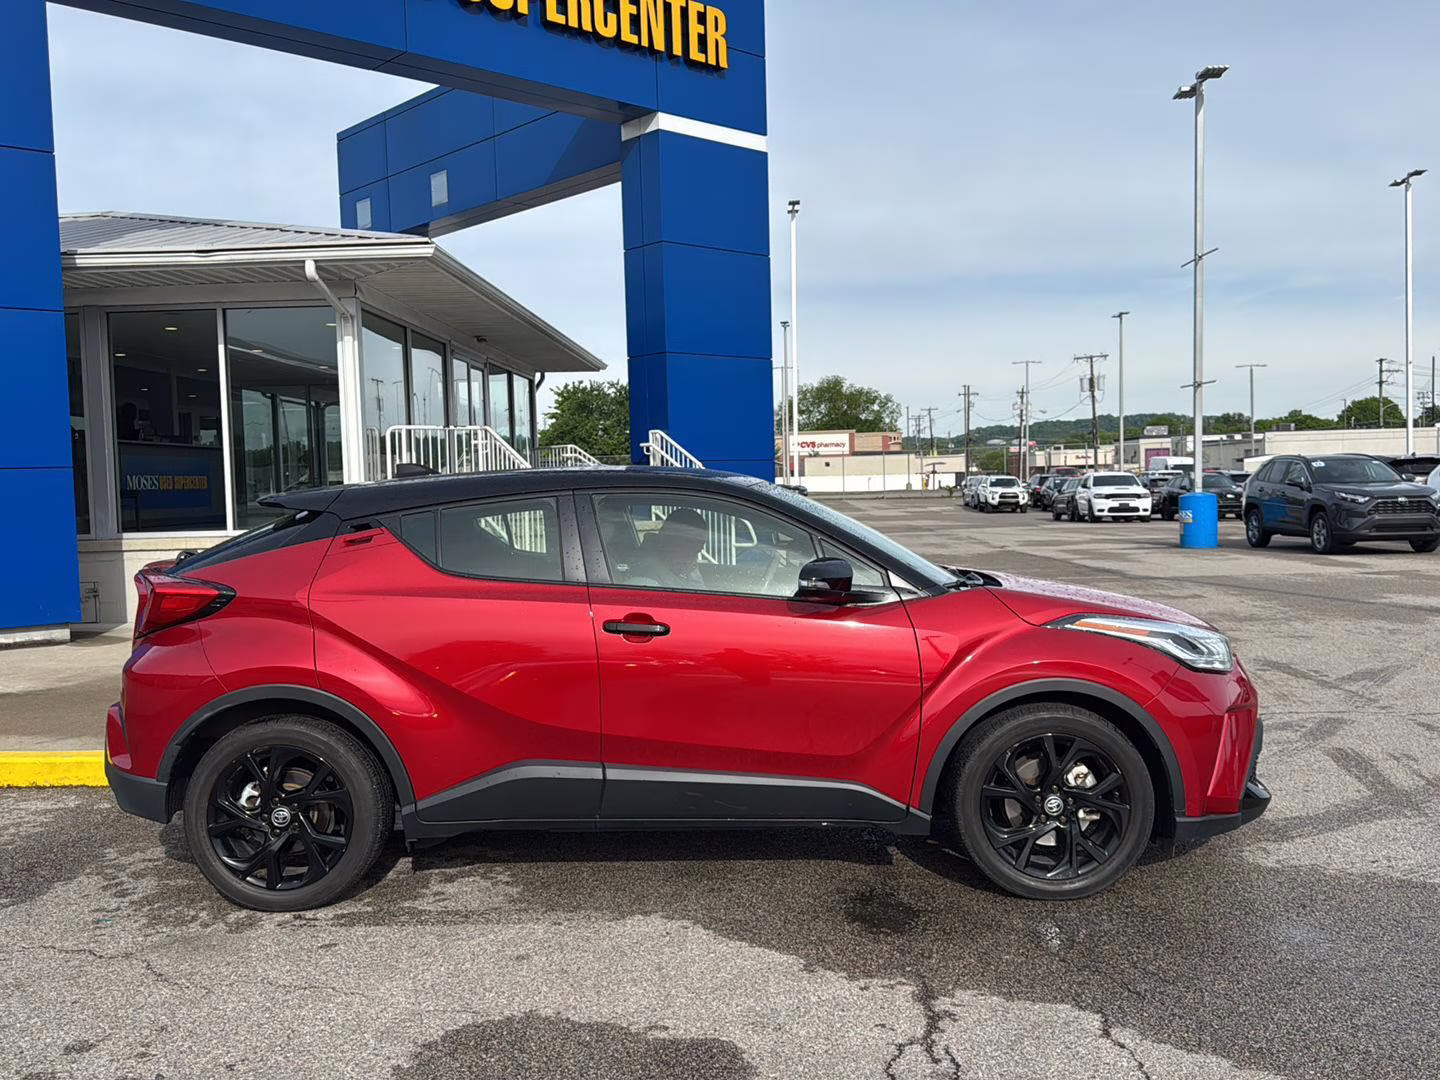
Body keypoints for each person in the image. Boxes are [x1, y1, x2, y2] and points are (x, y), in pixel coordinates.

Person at [638, 508, 708, 589]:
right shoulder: (646, 579)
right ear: (672, 541)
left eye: (701, 544)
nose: (700, 549)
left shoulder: (683, 567)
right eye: (695, 544)